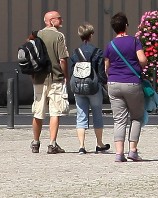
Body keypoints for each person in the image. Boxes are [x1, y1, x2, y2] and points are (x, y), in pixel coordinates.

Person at [104, 13, 147, 163]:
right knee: (136, 117)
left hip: (113, 83)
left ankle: (119, 153)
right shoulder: (134, 41)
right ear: (126, 25)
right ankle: (133, 150)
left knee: (119, 120)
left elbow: (106, 67)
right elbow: (142, 60)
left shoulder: (110, 45)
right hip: (131, 82)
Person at [30, 10, 69, 154]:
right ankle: (52, 144)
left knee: (38, 111)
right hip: (55, 78)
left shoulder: (36, 35)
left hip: (39, 78)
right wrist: (65, 75)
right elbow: (62, 59)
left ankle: (35, 142)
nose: (62, 20)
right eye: (59, 18)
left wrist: (32, 74)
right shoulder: (59, 36)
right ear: (51, 20)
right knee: (54, 112)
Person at [69, 22, 109, 153]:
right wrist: (104, 84)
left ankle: (81, 146)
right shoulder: (97, 52)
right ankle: (99, 144)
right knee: (97, 114)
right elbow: (101, 72)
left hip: (79, 88)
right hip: (93, 87)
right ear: (91, 35)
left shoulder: (75, 53)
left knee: (81, 115)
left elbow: (72, 70)